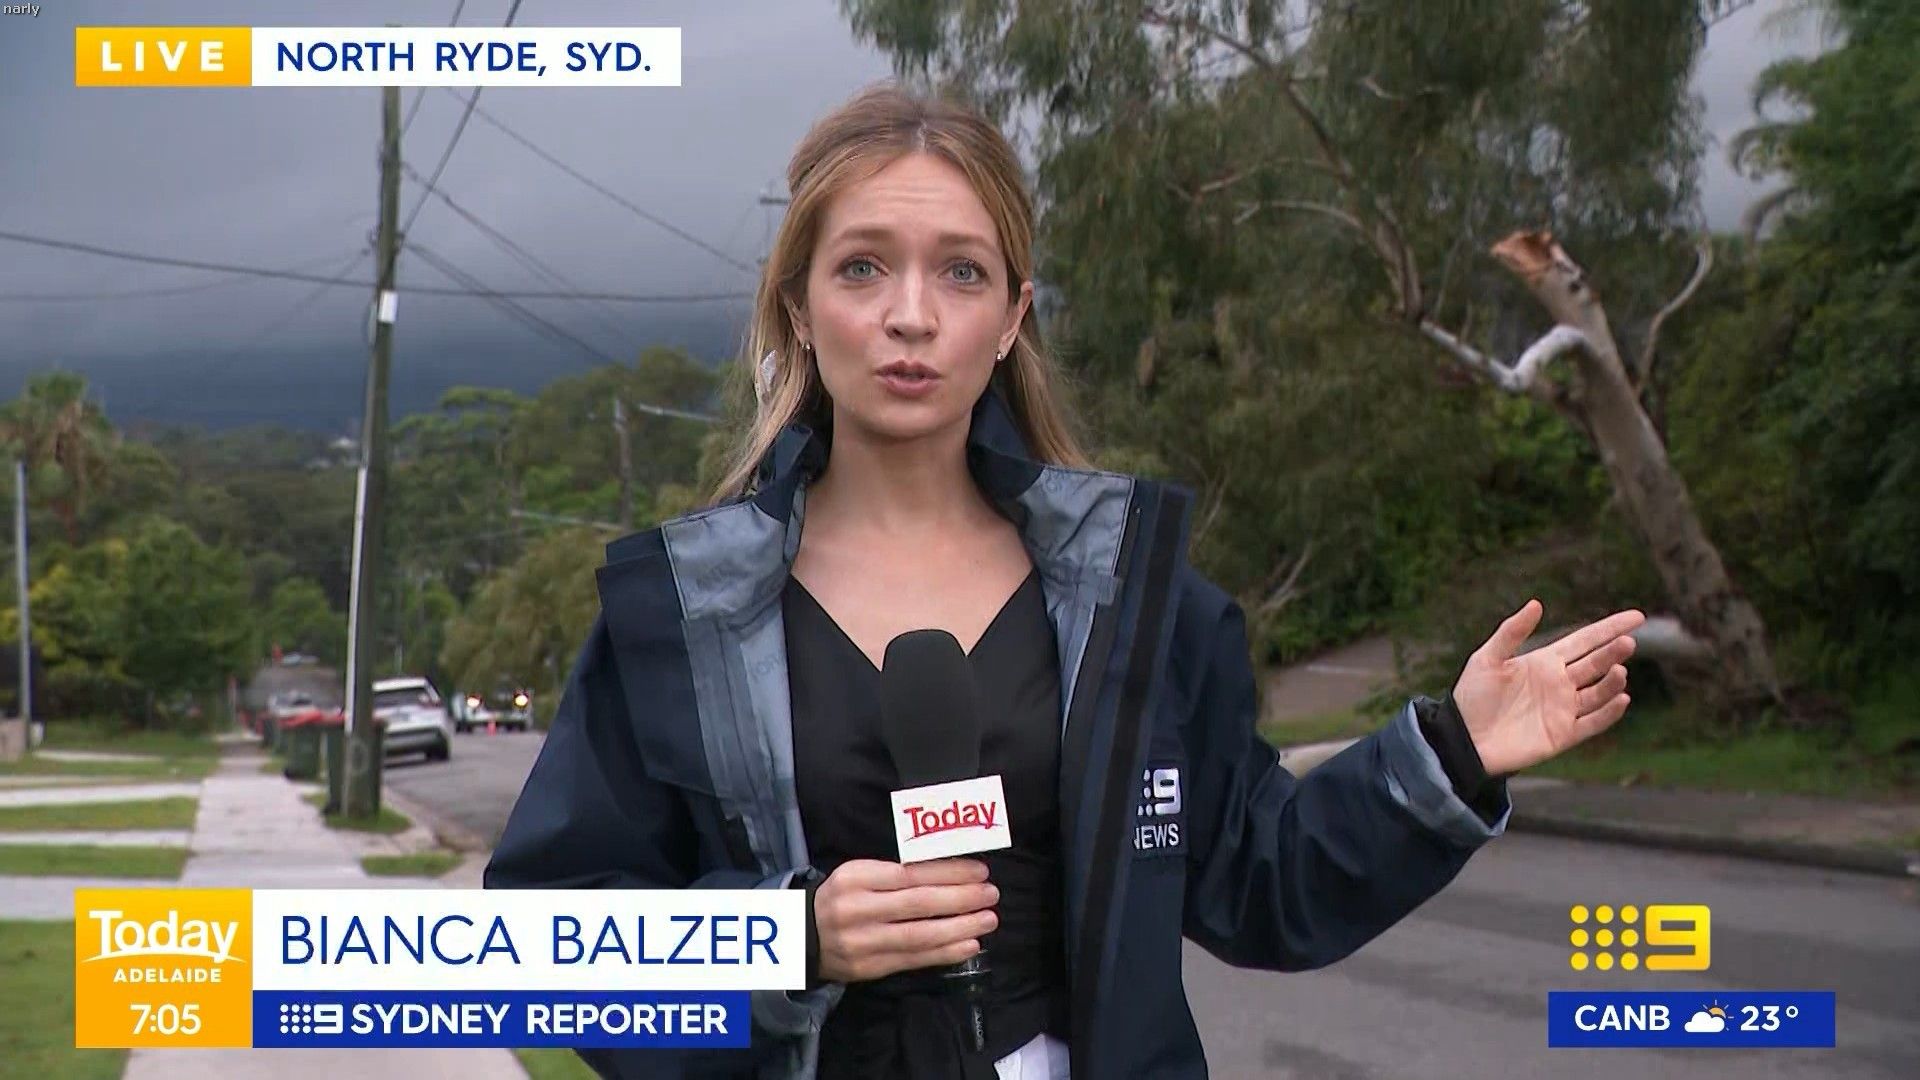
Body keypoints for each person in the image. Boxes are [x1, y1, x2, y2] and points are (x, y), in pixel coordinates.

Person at [486, 81, 1644, 1080]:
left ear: (1011, 319)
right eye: (862, 267)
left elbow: (1262, 879)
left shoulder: (1128, 598)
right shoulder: (684, 613)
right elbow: (547, 946)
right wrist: (786, 941)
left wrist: (1454, 752)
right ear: (798, 306)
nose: (909, 316)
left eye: (962, 272)